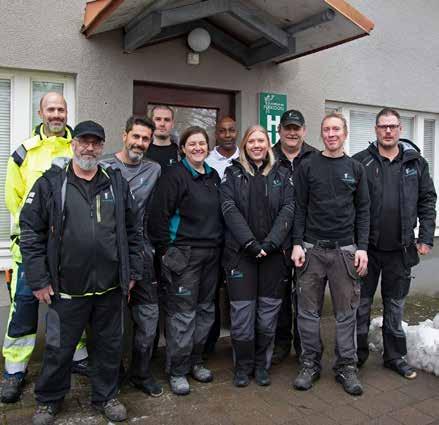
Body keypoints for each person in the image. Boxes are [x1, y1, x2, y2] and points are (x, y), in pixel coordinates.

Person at [20, 121, 143, 425]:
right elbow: (31, 232)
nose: (89, 148)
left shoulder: (114, 182)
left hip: (110, 288)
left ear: (102, 147)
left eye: (95, 143)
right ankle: (48, 401)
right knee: (58, 350)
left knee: (109, 347)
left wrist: (132, 271)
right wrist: (38, 279)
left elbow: (132, 230)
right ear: (73, 144)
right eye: (84, 142)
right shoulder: (51, 183)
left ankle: (106, 396)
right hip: (66, 289)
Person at [1, 93, 89, 405]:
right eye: (50, 109)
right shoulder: (25, 152)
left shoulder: (78, 145)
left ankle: (77, 357)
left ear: (67, 113)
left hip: (69, 251)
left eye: (61, 109)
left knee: (70, 307)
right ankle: (14, 370)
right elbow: (14, 200)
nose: (56, 114)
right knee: (23, 308)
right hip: (32, 250)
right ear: (41, 112)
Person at [354, 108, 437, 378]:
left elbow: (427, 200)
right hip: (367, 250)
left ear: (400, 129)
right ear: (375, 130)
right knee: (361, 304)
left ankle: (394, 356)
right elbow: (349, 205)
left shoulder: (416, 163)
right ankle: (356, 355)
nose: (387, 131)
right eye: (382, 126)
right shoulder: (361, 162)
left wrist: (425, 236)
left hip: (401, 250)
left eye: (392, 126)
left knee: (395, 305)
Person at [291, 112, 369, 396]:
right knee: (307, 312)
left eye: (336, 129)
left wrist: (362, 248)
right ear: (320, 133)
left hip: (345, 251)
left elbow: (363, 211)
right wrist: (297, 243)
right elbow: (298, 207)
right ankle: (310, 363)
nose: (331, 134)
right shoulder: (307, 166)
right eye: (326, 129)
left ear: (345, 133)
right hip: (311, 249)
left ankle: (346, 366)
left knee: (346, 312)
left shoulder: (356, 168)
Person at [148, 126, 223, 396]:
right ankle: (177, 370)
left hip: (212, 254)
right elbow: (158, 216)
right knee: (182, 314)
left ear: (208, 147)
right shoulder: (174, 176)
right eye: (192, 144)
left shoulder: (213, 176)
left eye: (202, 143)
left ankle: (196, 361)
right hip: (183, 254)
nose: (197, 148)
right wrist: (166, 251)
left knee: (205, 311)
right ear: (182, 148)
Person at [220, 125, 295, 387]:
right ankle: (243, 367)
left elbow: (288, 209)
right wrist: (251, 244)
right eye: (251, 141)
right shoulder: (232, 173)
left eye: (261, 140)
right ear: (245, 145)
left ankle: (262, 366)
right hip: (241, 255)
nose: (256, 145)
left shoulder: (282, 175)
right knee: (242, 315)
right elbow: (229, 210)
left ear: (268, 144)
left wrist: (272, 243)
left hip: (274, 257)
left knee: (267, 316)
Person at [101, 116, 163, 396]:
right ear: (124, 135)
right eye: (135, 137)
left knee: (148, 321)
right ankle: (111, 377)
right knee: (110, 324)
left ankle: (141, 372)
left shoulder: (154, 169)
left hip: (142, 255)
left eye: (145, 139)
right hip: (109, 256)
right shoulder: (103, 167)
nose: (140, 143)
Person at [271, 109, 318, 364]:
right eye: (287, 128)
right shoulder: (267, 154)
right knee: (279, 294)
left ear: (303, 131)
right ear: (279, 130)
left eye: (296, 128)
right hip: (276, 239)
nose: (292, 132)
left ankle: (304, 344)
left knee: (305, 295)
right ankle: (281, 343)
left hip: (307, 237)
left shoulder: (315, 157)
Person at [204, 116, 239, 353]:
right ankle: (210, 341)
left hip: (239, 237)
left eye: (231, 130)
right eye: (222, 131)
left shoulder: (244, 158)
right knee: (211, 291)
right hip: (214, 236)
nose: (227, 134)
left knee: (237, 292)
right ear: (216, 134)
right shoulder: (206, 161)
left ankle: (240, 342)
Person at [146, 105, 179, 172]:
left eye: (167, 120)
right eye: (158, 119)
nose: (162, 124)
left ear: (172, 124)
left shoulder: (181, 152)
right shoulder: (141, 150)